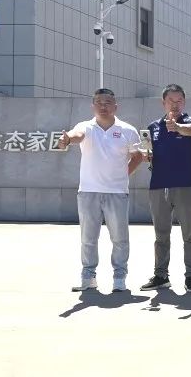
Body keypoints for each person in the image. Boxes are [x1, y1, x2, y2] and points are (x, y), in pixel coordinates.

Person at [59, 88, 143, 293]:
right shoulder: (85, 127)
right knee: (88, 238)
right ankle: (88, 277)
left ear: (115, 106)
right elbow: (77, 136)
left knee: (119, 238)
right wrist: (67, 139)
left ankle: (119, 277)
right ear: (93, 106)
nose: (103, 106)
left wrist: (123, 174)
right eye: (98, 102)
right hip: (89, 191)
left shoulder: (127, 130)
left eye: (107, 103)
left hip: (117, 192)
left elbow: (138, 156)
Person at [139, 84, 191, 294]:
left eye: (179, 101)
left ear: (184, 102)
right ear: (163, 103)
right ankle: (161, 275)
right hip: (158, 185)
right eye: (171, 101)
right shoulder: (153, 127)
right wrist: (148, 155)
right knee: (161, 234)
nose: (175, 105)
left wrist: (177, 127)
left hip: (185, 185)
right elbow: (150, 151)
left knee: (189, 234)